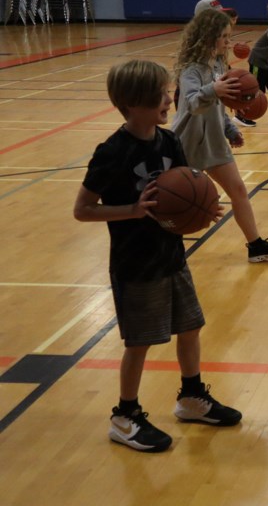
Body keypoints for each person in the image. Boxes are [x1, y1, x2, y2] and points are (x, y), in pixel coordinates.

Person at [74, 60, 242, 453]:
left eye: (168, 93)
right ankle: (125, 415)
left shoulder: (169, 142)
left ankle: (190, 397)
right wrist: (131, 210)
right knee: (140, 342)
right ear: (132, 104)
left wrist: (203, 210)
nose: (169, 100)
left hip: (171, 255)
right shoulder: (111, 152)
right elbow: (82, 209)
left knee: (191, 327)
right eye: (160, 96)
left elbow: (187, 190)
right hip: (135, 262)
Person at [171, 9, 268, 262]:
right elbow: (193, 103)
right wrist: (213, 88)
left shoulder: (217, 65)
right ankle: (169, 249)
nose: (228, 41)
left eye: (229, 35)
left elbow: (219, 104)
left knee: (238, 190)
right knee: (180, 198)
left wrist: (229, 128)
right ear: (207, 37)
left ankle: (255, 245)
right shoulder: (191, 70)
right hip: (187, 143)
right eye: (223, 36)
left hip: (214, 141)